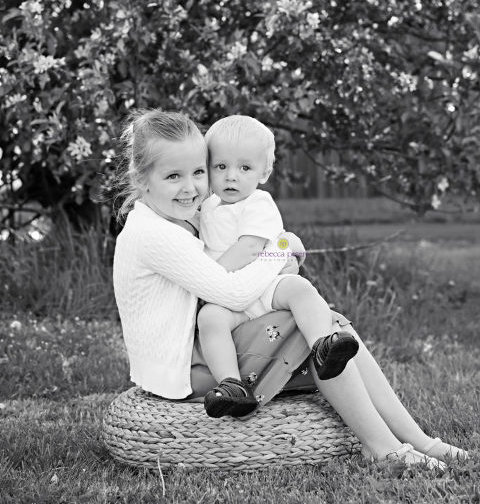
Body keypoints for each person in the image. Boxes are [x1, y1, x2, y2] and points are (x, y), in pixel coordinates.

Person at [113, 108, 468, 468]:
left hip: (196, 348)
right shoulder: (155, 235)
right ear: (142, 178)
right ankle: (385, 448)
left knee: (327, 326)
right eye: (173, 176)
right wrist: (280, 249)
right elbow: (232, 292)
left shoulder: (175, 216)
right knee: (308, 328)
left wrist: (276, 251)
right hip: (185, 369)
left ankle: (417, 441)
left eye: (198, 172)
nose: (190, 187)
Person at [198, 115, 359, 418]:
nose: (231, 177)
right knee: (209, 319)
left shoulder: (258, 203)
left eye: (244, 168)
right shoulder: (207, 206)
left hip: (264, 283)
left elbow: (250, 247)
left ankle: (321, 346)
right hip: (230, 299)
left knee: (299, 288)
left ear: (264, 172)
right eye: (220, 167)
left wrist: (209, 276)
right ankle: (232, 385)